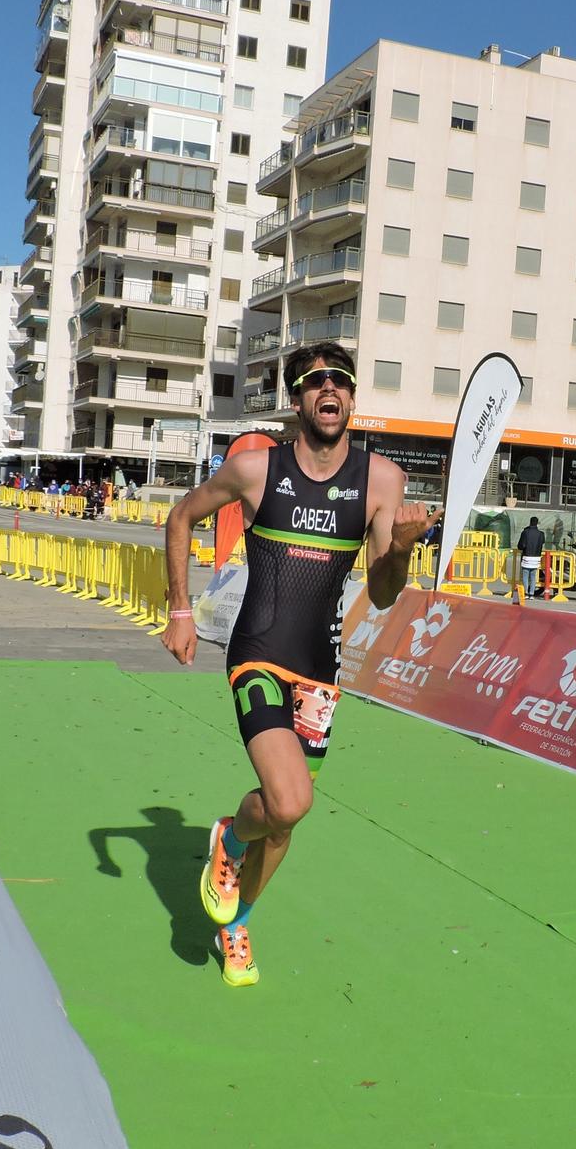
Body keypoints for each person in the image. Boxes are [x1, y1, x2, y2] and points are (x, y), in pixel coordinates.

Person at [163, 342, 433, 988]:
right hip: (257, 654)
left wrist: (399, 547)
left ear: (353, 396)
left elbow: (387, 590)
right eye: (315, 382)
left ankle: (237, 921)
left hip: (320, 668)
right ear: (297, 399)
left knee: (284, 822)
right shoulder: (257, 469)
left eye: (340, 380)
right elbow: (181, 516)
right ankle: (229, 839)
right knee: (290, 799)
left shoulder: (382, 482)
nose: (329, 390)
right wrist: (179, 609)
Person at [515, 515, 545, 604]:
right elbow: (542, 542)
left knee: (525, 575)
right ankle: (532, 594)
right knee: (533, 576)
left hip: (527, 556)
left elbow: (521, 545)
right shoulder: (541, 534)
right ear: (537, 523)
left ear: (530, 522)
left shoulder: (525, 532)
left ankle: (526, 593)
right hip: (536, 557)